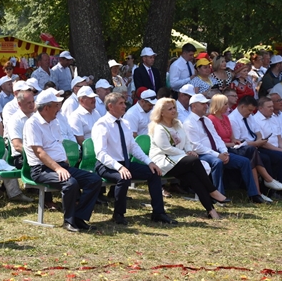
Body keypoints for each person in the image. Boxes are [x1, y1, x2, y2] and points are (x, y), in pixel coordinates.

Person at [92, 92, 177, 225]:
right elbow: (100, 153)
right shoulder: (101, 124)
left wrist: (150, 162)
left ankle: (158, 213)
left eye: (124, 103)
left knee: (154, 173)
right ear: (110, 106)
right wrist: (119, 167)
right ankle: (118, 215)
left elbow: (133, 147)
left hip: (124, 163)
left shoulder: (125, 122)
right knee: (123, 177)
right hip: (106, 165)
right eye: (121, 103)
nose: (124, 106)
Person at [24, 89, 102, 232]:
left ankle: (79, 217)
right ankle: (69, 221)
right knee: (70, 183)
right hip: (41, 169)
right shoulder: (32, 124)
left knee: (94, 180)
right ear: (46, 107)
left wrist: (64, 162)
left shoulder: (54, 121)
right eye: (55, 105)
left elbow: (57, 144)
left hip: (59, 165)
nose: (58, 109)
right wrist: (58, 168)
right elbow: (39, 152)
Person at [148, 98, 227, 219]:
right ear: (161, 112)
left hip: (179, 159)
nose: (173, 110)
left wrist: (189, 150)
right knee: (194, 161)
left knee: (193, 178)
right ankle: (213, 191)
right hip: (163, 162)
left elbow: (186, 141)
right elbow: (166, 148)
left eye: (174, 108)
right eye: (170, 109)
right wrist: (185, 154)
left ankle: (211, 210)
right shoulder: (158, 128)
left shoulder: (177, 124)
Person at [183, 94, 263, 203]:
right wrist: (218, 155)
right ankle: (219, 195)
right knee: (217, 162)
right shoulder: (189, 123)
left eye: (206, 103)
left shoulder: (206, 120)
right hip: (201, 154)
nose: (206, 106)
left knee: (244, 162)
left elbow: (217, 138)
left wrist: (224, 152)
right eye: (202, 104)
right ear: (194, 107)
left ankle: (254, 195)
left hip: (217, 152)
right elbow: (196, 146)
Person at [208, 94, 282, 203]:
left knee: (252, 157)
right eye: (225, 104)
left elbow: (233, 137)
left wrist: (237, 141)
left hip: (239, 146)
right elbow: (216, 141)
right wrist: (236, 144)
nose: (228, 107)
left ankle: (258, 193)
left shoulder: (225, 118)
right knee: (253, 152)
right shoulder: (213, 119)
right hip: (225, 149)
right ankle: (265, 184)